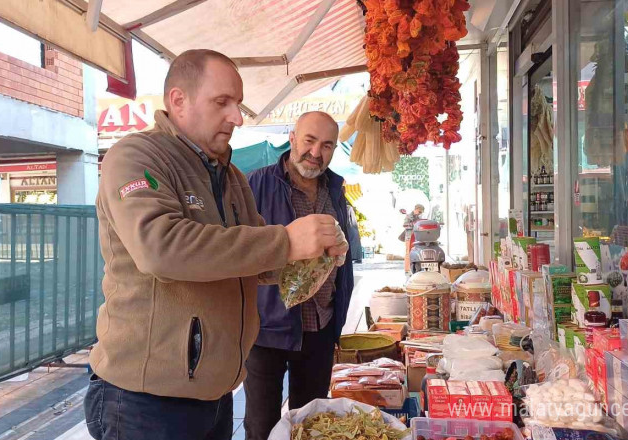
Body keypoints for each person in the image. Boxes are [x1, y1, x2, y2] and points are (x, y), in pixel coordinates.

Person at [85, 50, 348, 440]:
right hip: (146, 401)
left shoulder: (231, 176)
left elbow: (257, 261)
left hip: (216, 392)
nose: (237, 117)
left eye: (238, 104)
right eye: (222, 102)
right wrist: (286, 239)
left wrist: (315, 255)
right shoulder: (137, 156)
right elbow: (161, 248)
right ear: (178, 100)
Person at [243, 111, 355, 440]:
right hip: (267, 329)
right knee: (262, 425)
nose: (316, 153)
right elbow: (240, 248)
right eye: (309, 141)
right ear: (292, 138)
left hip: (320, 325)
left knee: (313, 424)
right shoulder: (255, 185)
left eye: (327, 145)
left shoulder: (335, 189)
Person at [404, 204, 424, 274]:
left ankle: (415, 268)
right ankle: (407, 270)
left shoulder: (419, 217)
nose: (420, 213)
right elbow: (405, 225)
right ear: (416, 209)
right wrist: (414, 224)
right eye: (419, 211)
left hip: (417, 237)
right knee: (408, 253)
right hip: (409, 237)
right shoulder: (408, 216)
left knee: (416, 252)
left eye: (421, 212)